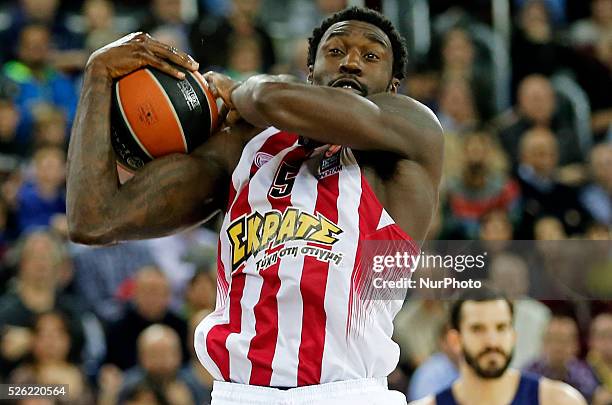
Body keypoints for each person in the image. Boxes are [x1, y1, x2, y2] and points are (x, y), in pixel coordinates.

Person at [67, 6, 443, 404]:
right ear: (311, 73)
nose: (350, 61)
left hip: (346, 392)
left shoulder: (412, 133)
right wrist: (97, 76)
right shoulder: (245, 148)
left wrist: (241, 92)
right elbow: (94, 220)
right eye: (335, 51)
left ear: (393, 85)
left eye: (371, 56)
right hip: (241, 394)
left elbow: (268, 95)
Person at [409, 287, 587, 405]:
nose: (492, 341)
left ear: (513, 336)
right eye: (478, 329)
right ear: (455, 340)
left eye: (501, 328)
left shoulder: (559, 401)